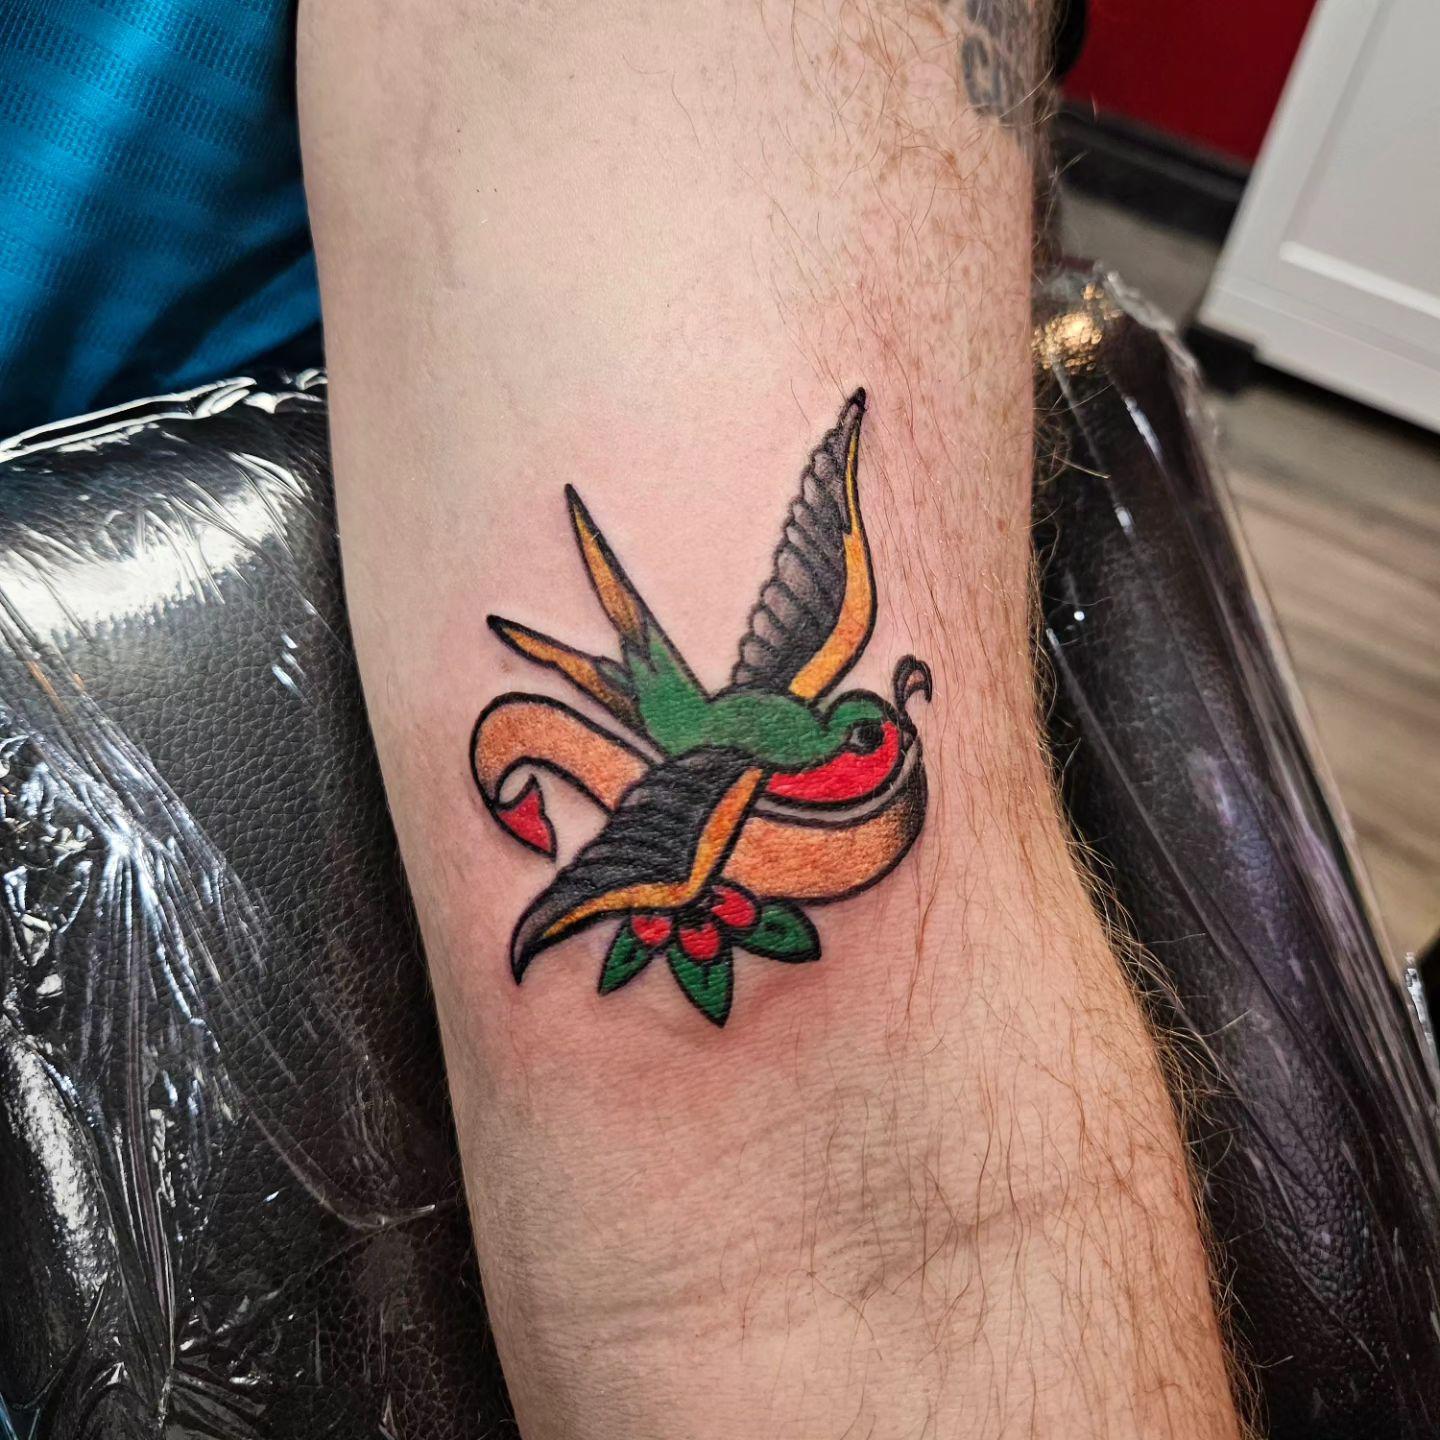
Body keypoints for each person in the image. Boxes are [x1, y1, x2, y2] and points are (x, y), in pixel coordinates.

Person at [298, 3, 1243, 1436]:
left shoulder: (811, 700)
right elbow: (809, 1202)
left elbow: (852, 1214)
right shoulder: (754, 759)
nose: (869, 744)